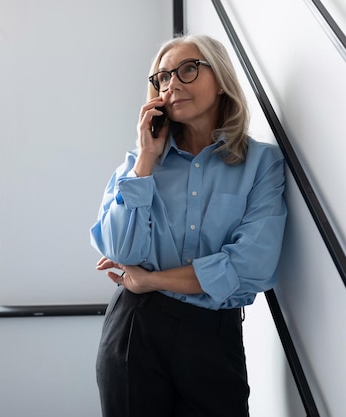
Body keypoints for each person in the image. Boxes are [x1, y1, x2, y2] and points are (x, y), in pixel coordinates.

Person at [89, 34, 287, 417]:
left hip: (214, 334)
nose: (172, 84)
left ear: (222, 79)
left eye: (188, 69)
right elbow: (120, 250)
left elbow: (250, 267)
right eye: (162, 78)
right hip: (136, 329)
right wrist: (146, 157)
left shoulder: (263, 164)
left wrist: (152, 279)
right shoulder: (138, 166)